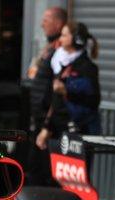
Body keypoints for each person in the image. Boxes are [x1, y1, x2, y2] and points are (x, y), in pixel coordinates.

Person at [36, 21, 100, 150]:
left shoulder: (87, 68)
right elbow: (55, 101)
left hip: (79, 131)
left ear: (76, 40)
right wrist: (47, 127)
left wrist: (67, 91)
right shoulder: (61, 64)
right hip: (59, 128)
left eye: (64, 35)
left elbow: (94, 101)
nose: (60, 39)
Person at [25, 6, 67, 186]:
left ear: (58, 24)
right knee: (34, 169)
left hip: (50, 125)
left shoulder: (60, 53)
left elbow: (57, 92)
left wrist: (48, 123)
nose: (42, 24)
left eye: (46, 20)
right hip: (38, 119)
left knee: (45, 173)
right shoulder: (48, 49)